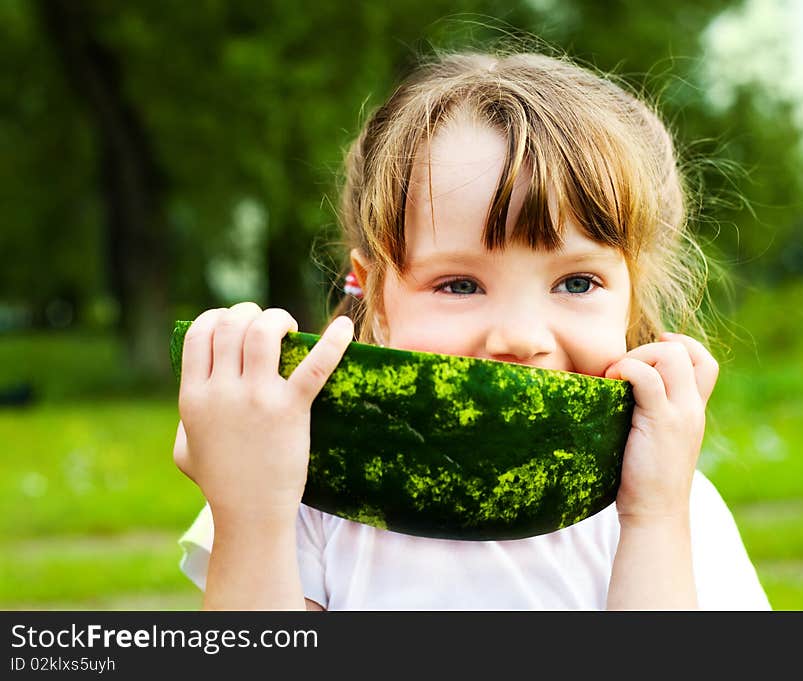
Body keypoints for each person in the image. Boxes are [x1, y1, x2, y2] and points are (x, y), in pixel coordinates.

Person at [174, 50, 771, 610]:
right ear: (375, 297)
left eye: (577, 283)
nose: (518, 336)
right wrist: (250, 513)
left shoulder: (674, 503)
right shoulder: (303, 492)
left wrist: (654, 518)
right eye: (460, 285)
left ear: (631, 297)